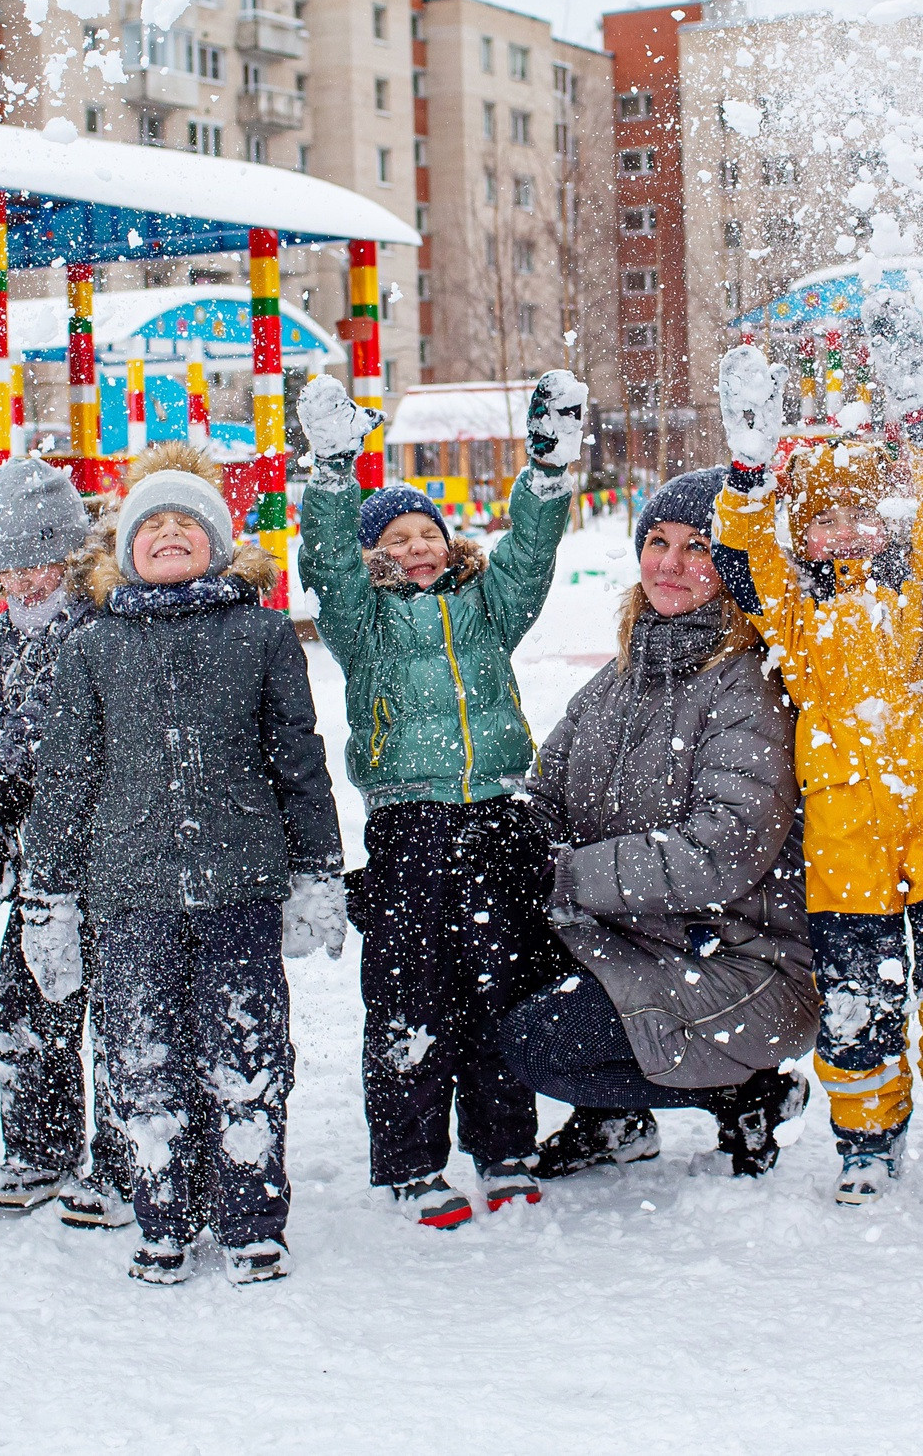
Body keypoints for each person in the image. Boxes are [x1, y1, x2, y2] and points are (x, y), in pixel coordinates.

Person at [712, 304, 923, 1208]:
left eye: (864, 513)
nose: (848, 531)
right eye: (826, 520)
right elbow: (746, 554)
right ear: (801, 533)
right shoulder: (795, 615)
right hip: (846, 840)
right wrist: (749, 474)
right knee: (858, 998)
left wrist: (918, 414)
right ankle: (865, 1138)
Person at [21, 444, 345, 1286]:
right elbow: (65, 782)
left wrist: (318, 868)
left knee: (246, 1052)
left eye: (186, 522)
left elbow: (299, 761)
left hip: (240, 889)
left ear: (219, 540)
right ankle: (164, 1213)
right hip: (130, 898)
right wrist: (47, 898)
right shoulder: (93, 646)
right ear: (126, 548)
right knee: (142, 1058)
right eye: (151, 524)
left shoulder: (262, 635)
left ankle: (250, 1218)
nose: (169, 533)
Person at [295, 367, 589, 1228]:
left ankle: (504, 1146)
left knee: (504, 988)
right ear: (373, 556)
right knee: (410, 1000)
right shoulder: (363, 623)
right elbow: (329, 563)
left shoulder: (486, 608)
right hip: (410, 830)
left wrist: (545, 473)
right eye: (396, 539)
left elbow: (529, 555)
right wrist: (333, 473)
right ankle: (412, 1161)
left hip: (497, 820)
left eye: (429, 531)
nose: (418, 546)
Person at [499, 469, 819, 1180]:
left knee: (540, 1040)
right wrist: (504, 843)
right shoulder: (622, 673)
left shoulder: (748, 682)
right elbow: (547, 791)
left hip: (740, 961)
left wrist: (565, 874)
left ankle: (748, 1092)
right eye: (657, 541)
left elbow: (722, 847)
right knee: (485, 966)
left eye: (697, 546)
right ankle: (614, 1119)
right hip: (632, 940)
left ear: (732, 562)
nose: (670, 563)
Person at [0, 457, 132, 1226]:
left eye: (37, 564)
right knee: (26, 1000)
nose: (22, 583)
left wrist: (1, 785)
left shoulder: (100, 623)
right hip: (39, 862)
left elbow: (45, 734)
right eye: (7, 570)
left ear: (69, 554)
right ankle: (40, 1147)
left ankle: (125, 1161)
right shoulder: (3, 638)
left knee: (120, 1011)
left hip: (107, 851)